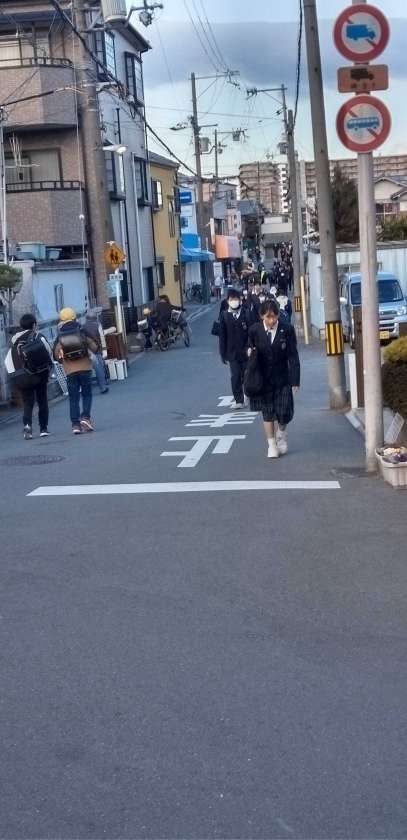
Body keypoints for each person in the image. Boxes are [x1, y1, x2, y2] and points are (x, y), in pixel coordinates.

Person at [248, 298, 300, 458]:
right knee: (268, 413)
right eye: (268, 317)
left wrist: (295, 380)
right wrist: (249, 352)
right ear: (261, 316)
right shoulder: (255, 330)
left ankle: (281, 435)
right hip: (263, 379)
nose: (271, 320)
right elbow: (248, 347)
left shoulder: (287, 329)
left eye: (274, 317)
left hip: (282, 377)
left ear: (278, 315)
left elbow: (293, 356)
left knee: (284, 412)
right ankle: (271, 445)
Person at [5, 313, 53, 439]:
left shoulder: (14, 342)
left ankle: (27, 426)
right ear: (34, 325)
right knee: (42, 400)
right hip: (40, 374)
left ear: (21, 326)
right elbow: (48, 351)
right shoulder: (38, 336)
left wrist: (15, 376)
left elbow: (8, 361)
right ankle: (43, 429)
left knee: (27, 402)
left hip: (23, 377)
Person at [53, 307, 98, 434]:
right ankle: (85, 418)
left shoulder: (60, 335)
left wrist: (64, 360)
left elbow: (55, 355)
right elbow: (95, 347)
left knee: (73, 398)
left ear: (61, 320)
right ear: (74, 318)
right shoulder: (81, 330)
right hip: (85, 368)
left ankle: (75, 425)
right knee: (87, 394)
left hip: (70, 371)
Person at [219, 288, 250, 410]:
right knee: (235, 376)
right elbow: (222, 336)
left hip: (246, 352)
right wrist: (222, 353)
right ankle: (239, 400)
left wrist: (251, 347)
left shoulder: (246, 313)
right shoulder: (224, 315)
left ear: (240, 300)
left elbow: (252, 332)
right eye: (232, 299)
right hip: (232, 353)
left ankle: (248, 395)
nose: (234, 301)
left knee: (247, 375)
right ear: (227, 301)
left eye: (236, 299)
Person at [84, 310, 109, 394]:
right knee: (99, 368)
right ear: (95, 317)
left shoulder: (83, 327)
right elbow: (102, 337)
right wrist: (104, 350)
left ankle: (86, 389)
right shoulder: (98, 325)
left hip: (86, 351)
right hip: (96, 350)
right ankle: (103, 387)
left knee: (86, 370)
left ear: (86, 318)